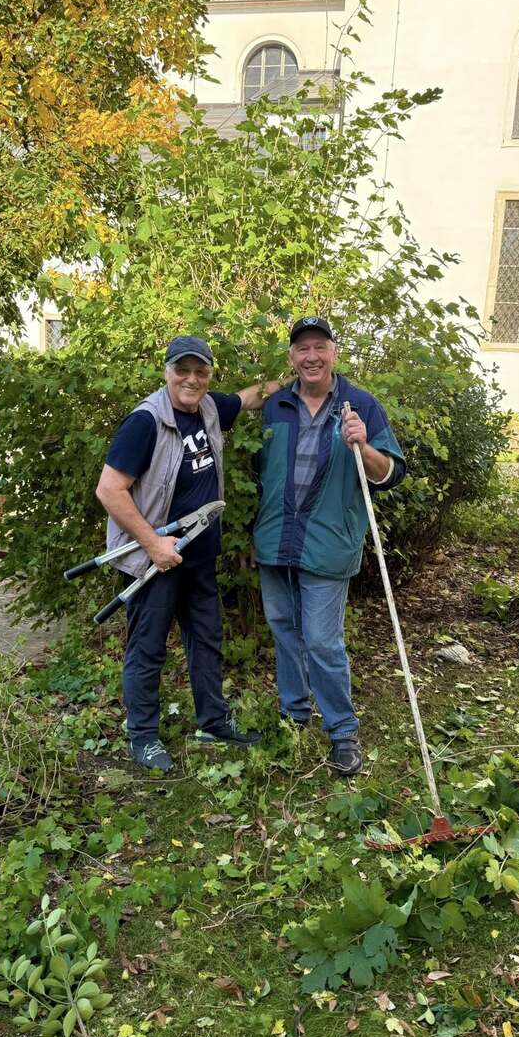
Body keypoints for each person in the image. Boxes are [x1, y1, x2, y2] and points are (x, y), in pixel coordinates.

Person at [96, 335, 280, 773]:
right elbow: (109, 489)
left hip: (199, 557)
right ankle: (143, 737)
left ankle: (213, 722)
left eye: (201, 371)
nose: (192, 379)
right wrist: (153, 544)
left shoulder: (210, 407)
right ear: (167, 372)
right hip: (155, 561)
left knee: (207, 641)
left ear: (209, 375)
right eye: (183, 370)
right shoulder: (145, 422)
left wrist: (297, 382)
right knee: (148, 649)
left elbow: (249, 397)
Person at [253, 316, 406, 775]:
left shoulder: (360, 406)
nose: (312, 356)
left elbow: (391, 474)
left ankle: (342, 731)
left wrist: (365, 446)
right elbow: (258, 473)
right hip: (275, 540)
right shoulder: (276, 406)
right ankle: (294, 717)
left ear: (334, 352)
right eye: (303, 348)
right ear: (292, 358)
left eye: (320, 346)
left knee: (322, 641)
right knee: (284, 631)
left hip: (327, 543)